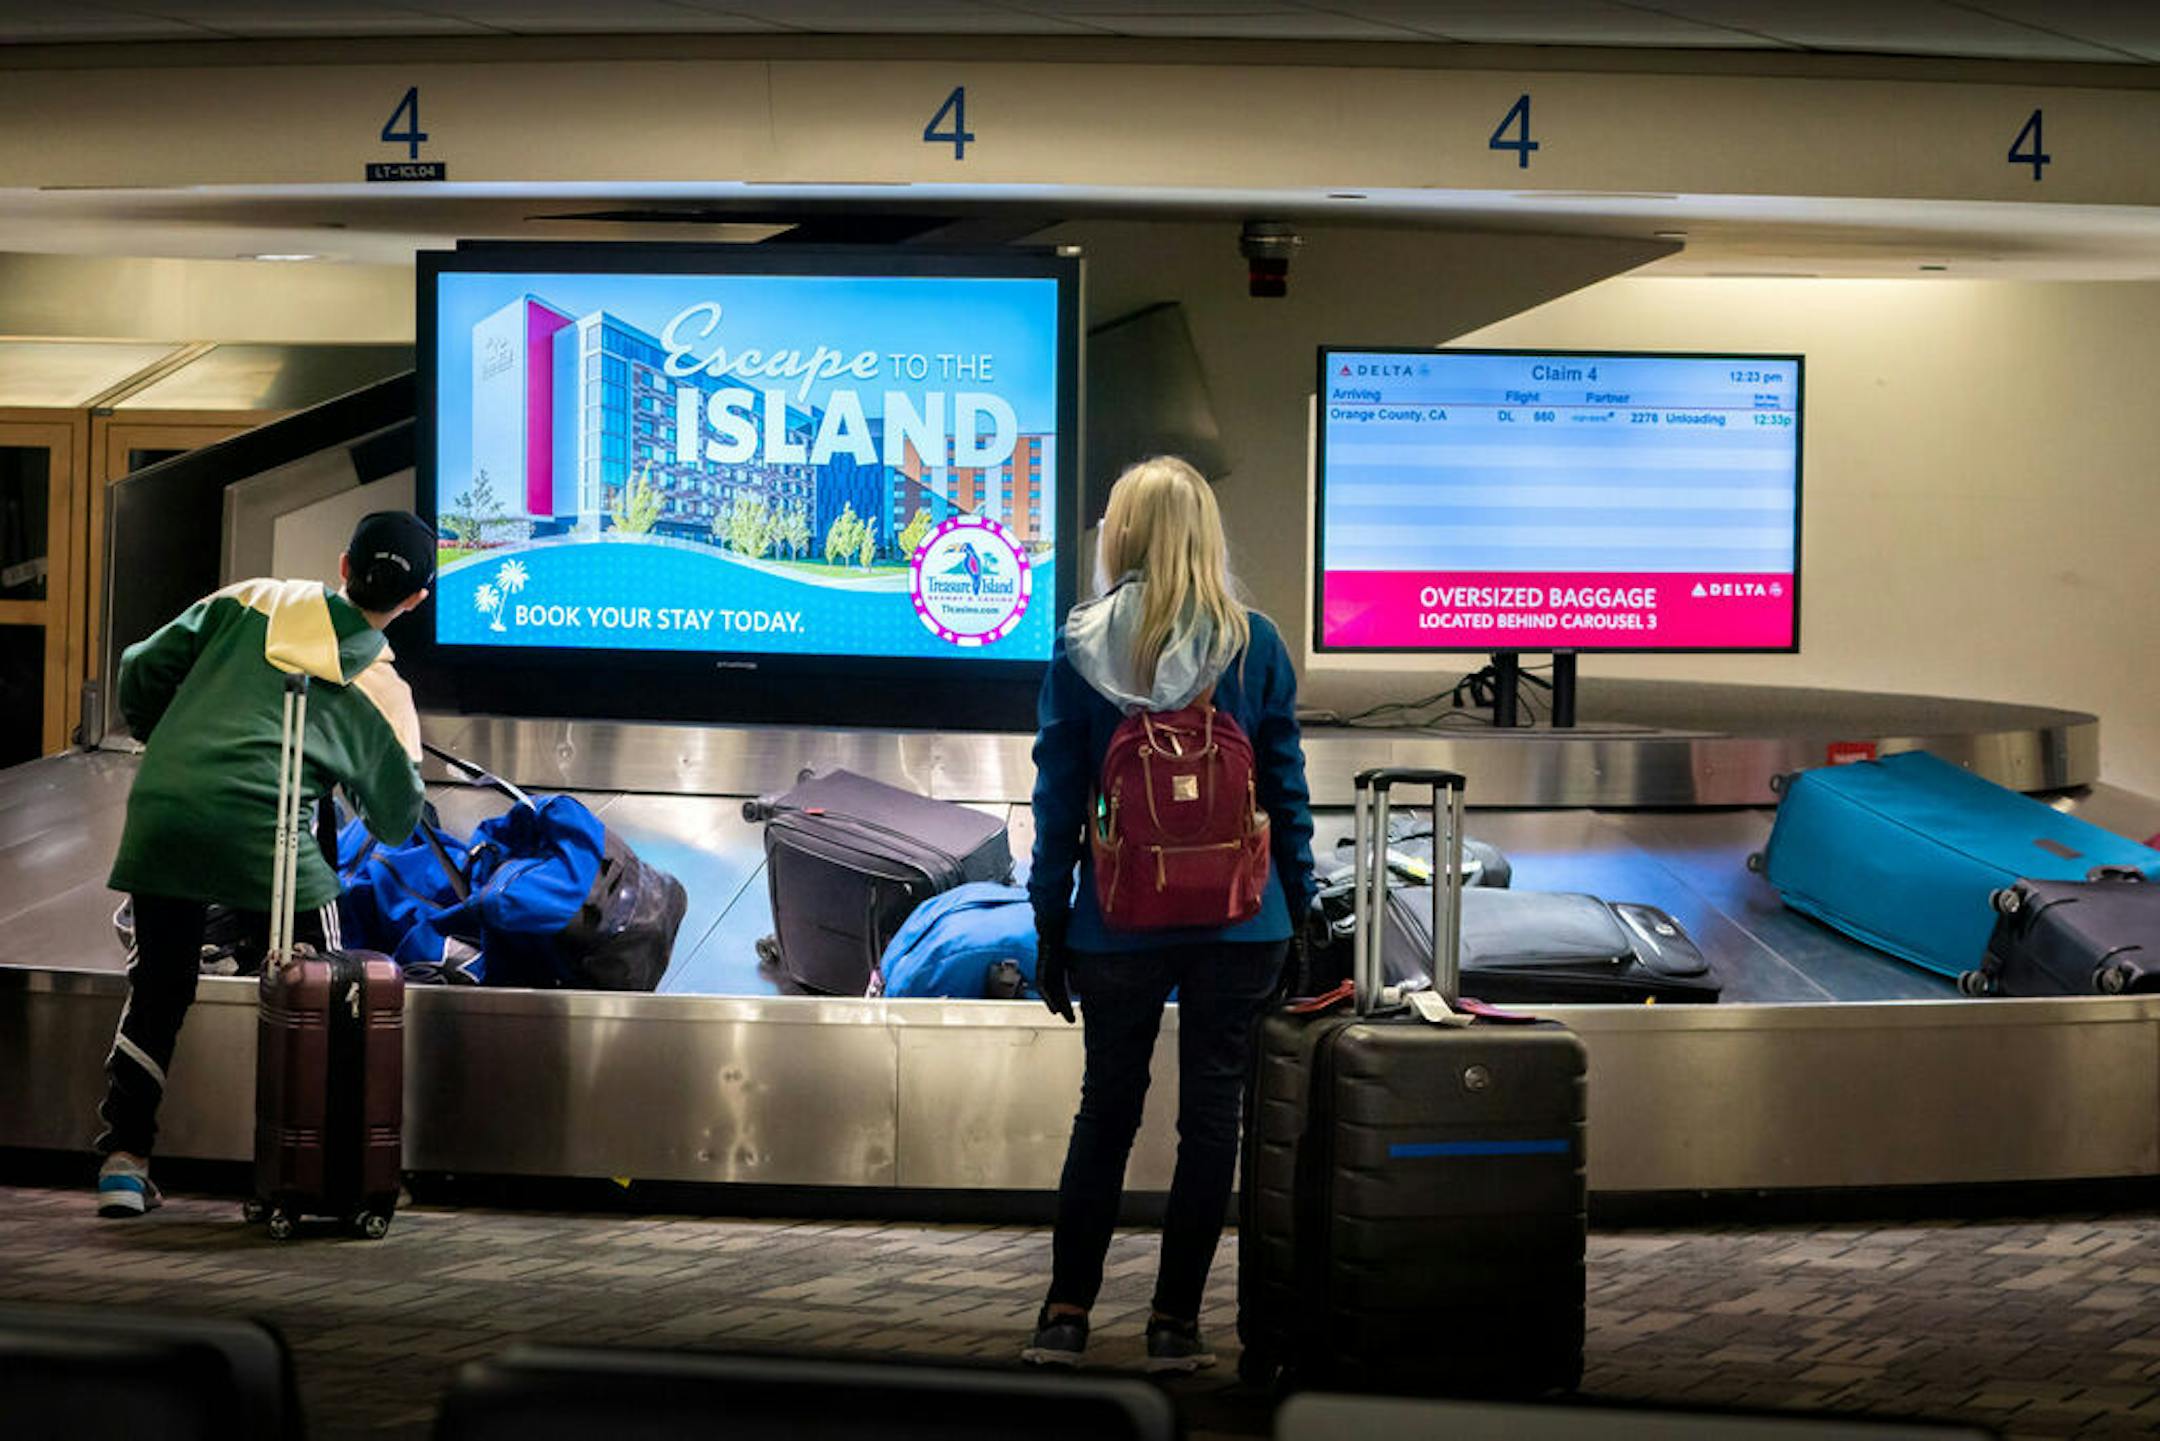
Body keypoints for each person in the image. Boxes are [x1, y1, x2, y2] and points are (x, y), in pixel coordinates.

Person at [1022, 456, 1315, 1372]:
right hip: (1241, 921)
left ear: (1122, 535)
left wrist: (1048, 922)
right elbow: (1287, 790)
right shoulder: (1256, 643)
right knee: (1211, 1121)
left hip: (1116, 919)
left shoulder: (1079, 647)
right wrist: (1298, 907)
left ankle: (1065, 1316)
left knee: (1104, 1112)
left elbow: (1058, 798)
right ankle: (1174, 1327)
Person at [93, 511, 435, 1217]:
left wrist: (176, 737)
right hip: (270, 838)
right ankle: (319, 1169)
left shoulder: (253, 598)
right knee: (332, 987)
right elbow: (398, 821)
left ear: (343, 564)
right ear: (416, 601)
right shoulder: (383, 690)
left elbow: (138, 667)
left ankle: (124, 1162)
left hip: (164, 810)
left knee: (159, 984)